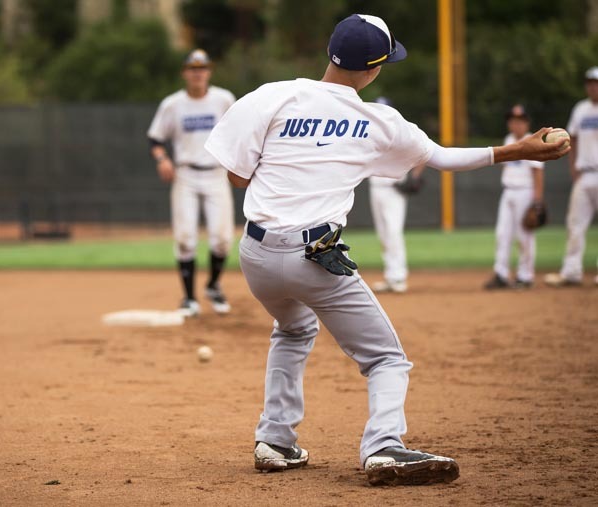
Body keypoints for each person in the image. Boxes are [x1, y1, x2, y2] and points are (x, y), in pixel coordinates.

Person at [204, 14, 569, 486]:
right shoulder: (379, 121)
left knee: (293, 331)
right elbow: (442, 158)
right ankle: (383, 446)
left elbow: (236, 174)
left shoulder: (273, 95)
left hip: (255, 255)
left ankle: (275, 441)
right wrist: (518, 149)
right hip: (313, 255)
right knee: (385, 359)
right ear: (373, 69)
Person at [147, 49, 236, 316]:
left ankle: (213, 285)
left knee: (221, 239)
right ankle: (189, 298)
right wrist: (162, 158)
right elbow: (155, 138)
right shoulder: (173, 104)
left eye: (203, 68)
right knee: (185, 237)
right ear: (185, 73)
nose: (198, 73)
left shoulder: (224, 99)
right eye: (193, 68)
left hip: (216, 173)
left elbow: (240, 130)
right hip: (185, 174)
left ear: (209, 72)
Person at [544, 67, 598, 287]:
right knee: (575, 224)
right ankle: (572, 271)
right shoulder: (580, 109)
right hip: (584, 175)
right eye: (589, 82)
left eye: (595, 82)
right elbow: (571, 138)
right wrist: (573, 167)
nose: (592, 86)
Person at [367, 97, 425, 293]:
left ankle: (398, 276)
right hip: (376, 188)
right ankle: (391, 276)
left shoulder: (401, 133)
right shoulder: (370, 134)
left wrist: (415, 177)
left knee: (393, 232)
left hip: (394, 190)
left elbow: (424, 151)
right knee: (383, 234)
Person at [484, 105, 545, 289]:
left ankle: (525, 276)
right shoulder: (509, 139)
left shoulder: (532, 140)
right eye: (512, 120)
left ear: (527, 123)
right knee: (502, 234)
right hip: (508, 191)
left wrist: (537, 201)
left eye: (519, 120)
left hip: (525, 192)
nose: (515, 124)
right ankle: (501, 274)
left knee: (524, 236)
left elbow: (538, 173)